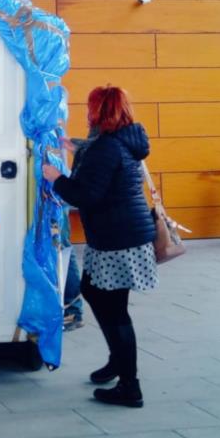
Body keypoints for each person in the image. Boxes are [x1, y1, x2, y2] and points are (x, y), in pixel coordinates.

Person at [42, 86, 157, 407]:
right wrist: (75, 144)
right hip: (121, 235)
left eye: (90, 107)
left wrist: (55, 178)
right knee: (95, 293)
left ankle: (130, 386)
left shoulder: (107, 147)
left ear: (100, 111)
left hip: (117, 239)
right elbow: (100, 157)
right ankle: (117, 363)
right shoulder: (122, 139)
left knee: (114, 309)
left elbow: (86, 194)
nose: (86, 112)